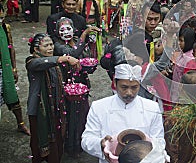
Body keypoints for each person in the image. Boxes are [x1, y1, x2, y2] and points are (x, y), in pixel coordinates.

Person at [81, 63, 164, 163]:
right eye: (124, 87)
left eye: (134, 87)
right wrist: (100, 144)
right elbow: (86, 139)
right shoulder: (99, 107)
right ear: (115, 84)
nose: (129, 92)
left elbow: (159, 141)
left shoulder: (152, 107)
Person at [26, 33, 80, 163]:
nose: (50, 48)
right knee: (39, 140)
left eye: (51, 45)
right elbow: (39, 64)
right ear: (36, 49)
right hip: (41, 111)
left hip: (55, 108)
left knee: (56, 141)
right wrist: (64, 58)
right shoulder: (32, 61)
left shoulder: (54, 62)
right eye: (46, 45)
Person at [53, 17, 101, 157]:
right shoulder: (57, 45)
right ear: (57, 32)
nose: (66, 32)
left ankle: (81, 143)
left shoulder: (78, 41)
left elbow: (85, 58)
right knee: (70, 117)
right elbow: (72, 54)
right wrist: (84, 34)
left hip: (82, 84)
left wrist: (90, 65)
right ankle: (71, 146)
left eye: (69, 29)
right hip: (67, 86)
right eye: (62, 30)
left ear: (73, 29)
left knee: (82, 115)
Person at [0, 6, 30, 135]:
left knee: (12, 96)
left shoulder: (5, 28)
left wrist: (13, 68)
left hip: (3, 69)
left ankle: (21, 124)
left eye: (1, 17)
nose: (0, 20)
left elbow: (10, 48)